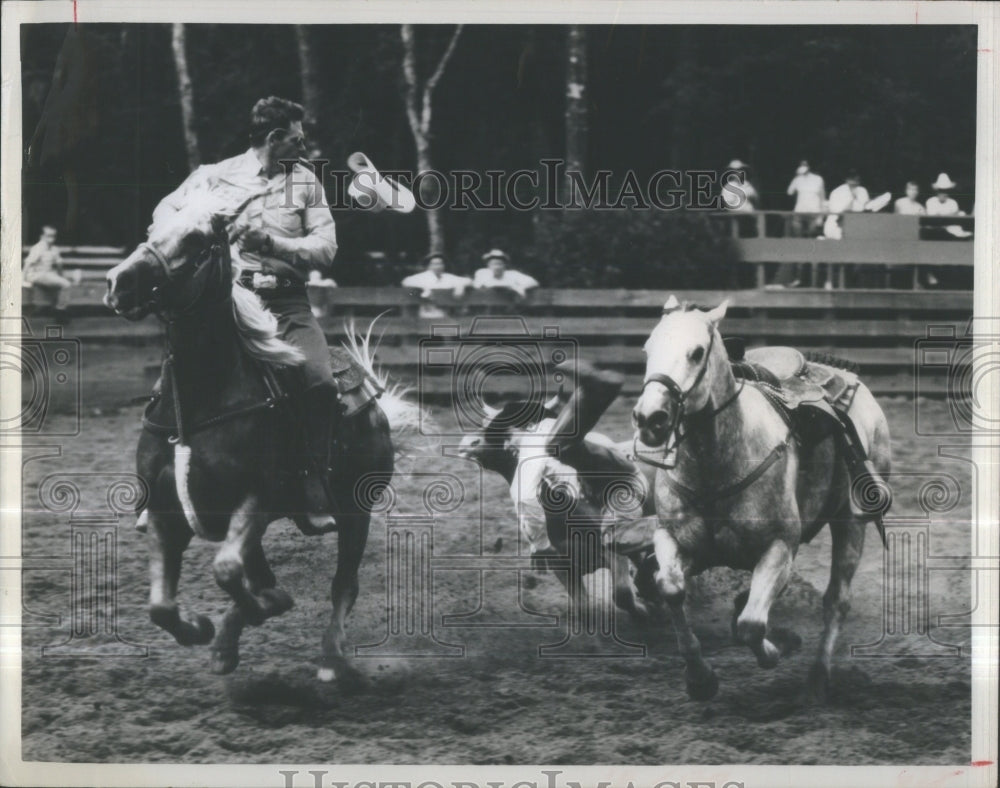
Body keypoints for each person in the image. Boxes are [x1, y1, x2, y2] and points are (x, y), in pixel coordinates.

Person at [149, 96, 339, 533]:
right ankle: (154, 485)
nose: (303, 147)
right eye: (297, 139)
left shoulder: (306, 181)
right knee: (169, 381)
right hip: (230, 301)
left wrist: (271, 243)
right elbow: (163, 211)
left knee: (319, 382)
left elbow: (326, 249)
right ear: (274, 138)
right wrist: (195, 230)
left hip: (287, 304)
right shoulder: (215, 176)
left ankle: (312, 484)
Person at [779, 159, 827, 286]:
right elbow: (789, 192)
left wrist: (820, 217)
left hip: (814, 214)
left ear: (809, 166)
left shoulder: (818, 179)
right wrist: (796, 178)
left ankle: (813, 280)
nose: (803, 167)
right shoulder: (798, 179)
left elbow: (822, 198)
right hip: (799, 214)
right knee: (799, 244)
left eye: (805, 165)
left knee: (812, 245)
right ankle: (798, 279)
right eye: (801, 165)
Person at [22, 225, 78, 319]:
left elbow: (59, 264)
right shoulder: (38, 248)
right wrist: (23, 279)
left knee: (63, 282)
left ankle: (54, 307)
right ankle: (60, 310)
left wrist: (61, 276)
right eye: (48, 236)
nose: (51, 238)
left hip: (47, 274)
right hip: (36, 274)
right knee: (66, 284)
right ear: (42, 236)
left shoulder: (54, 249)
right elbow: (28, 263)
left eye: (53, 236)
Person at [402, 253, 472, 318]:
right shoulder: (422, 277)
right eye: (434, 264)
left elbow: (468, 280)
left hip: (445, 312)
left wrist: (460, 286)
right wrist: (423, 288)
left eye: (440, 264)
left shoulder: (447, 277)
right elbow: (406, 281)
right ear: (429, 266)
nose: (438, 266)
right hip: (428, 311)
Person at [473, 249, 539, 297]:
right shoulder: (482, 273)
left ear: (505, 265)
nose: (497, 267)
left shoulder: (513, 274)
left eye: (500, 264)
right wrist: (512, 286)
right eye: (494, 264)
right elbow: (480, 286)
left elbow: (533, 282)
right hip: (486, 307)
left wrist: (521, 287)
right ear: (488, 265)